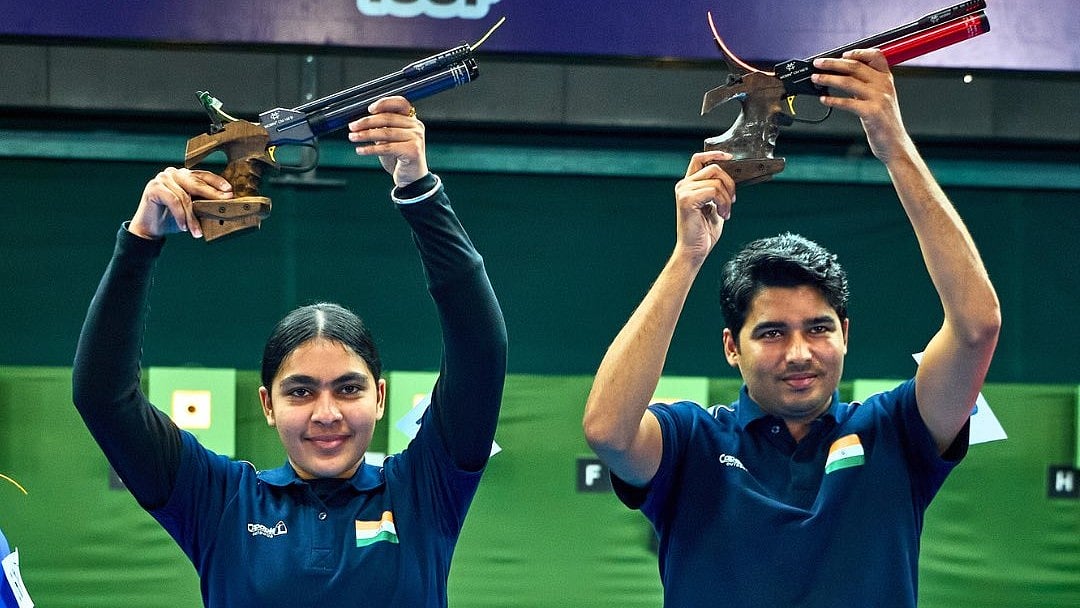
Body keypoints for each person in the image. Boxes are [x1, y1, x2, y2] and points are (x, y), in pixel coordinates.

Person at [582, 49, 1001, 607]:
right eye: (772, 333)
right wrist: (687, 255)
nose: (800, 352)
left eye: (819, 328)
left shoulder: (895, 432)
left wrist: (894, 145)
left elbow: (977, 327)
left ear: (845, 334)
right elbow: (608, 431)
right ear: (732, 346)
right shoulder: (692, 442)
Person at [72, 96, 507, 608]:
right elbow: (103, 397)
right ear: (268, 404)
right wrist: (141, 239)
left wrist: (417, 191)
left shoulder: (424, 490)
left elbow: (481, 350)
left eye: (349, 388)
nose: (327, 413)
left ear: (380, 396)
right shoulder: (219, 502)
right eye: (300, 391)